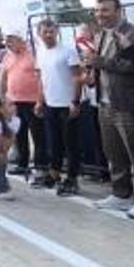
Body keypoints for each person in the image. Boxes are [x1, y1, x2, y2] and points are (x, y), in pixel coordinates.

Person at [85, 0, 134, 221]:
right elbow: (100, 66)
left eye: (105, 10)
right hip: (104, 102)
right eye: (97, 11)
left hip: (127, 104)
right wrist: (92, 73)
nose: (100, 15)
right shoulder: (99, 35)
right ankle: (121, 193)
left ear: (119, 11)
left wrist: (102, 63)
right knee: (113, 151)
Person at [34, 20, 85, 196]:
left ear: (56, 32)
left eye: (51, 31)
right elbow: (42, 79)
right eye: (44, 32)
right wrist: (40, 101)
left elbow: (77, 78)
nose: (48, 35)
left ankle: (72, 178)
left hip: (67, 104)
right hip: (50, 104)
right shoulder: (40, 52)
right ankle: (54, 173)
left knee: (71, 144)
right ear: (39, 34)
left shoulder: (68, 51)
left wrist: (75, 101)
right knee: (54, 142)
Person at [0, 32, 44, 178]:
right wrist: (1, 98)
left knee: (37, 134)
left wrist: (40, 100)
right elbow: (4, 79)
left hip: (32, 100)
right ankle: (22, 163)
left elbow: (41, 78)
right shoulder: (7, 56)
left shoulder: (33, 55)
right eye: (6, 41)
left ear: (21, 41)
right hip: (14, 101)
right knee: (19, 134)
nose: (8, 43)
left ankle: (40, 165)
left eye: (11, 40)